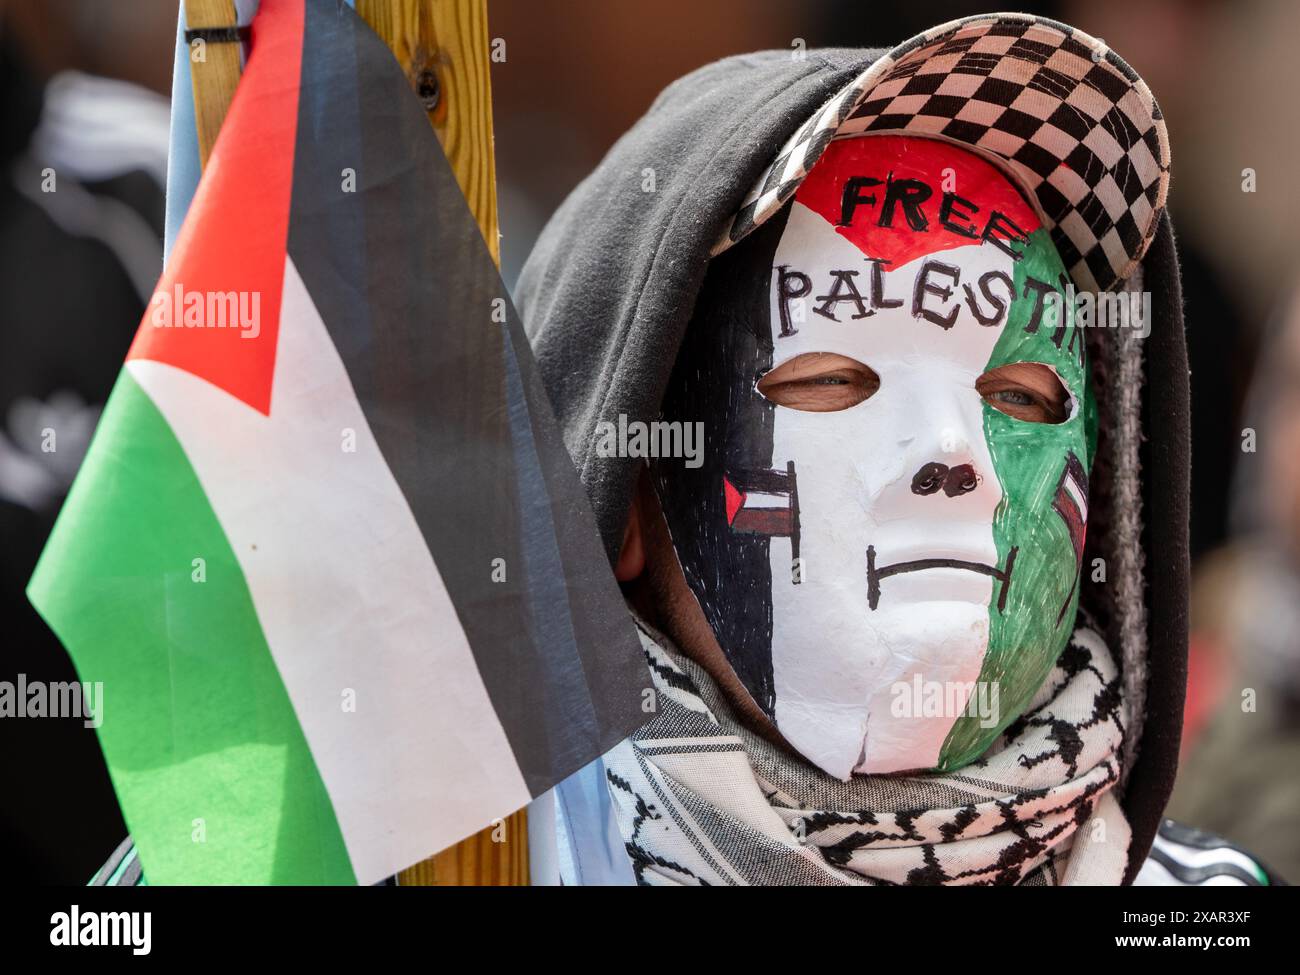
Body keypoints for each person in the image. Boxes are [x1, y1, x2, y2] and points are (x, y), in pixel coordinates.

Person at [517, 12, 1282, 885]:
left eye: (1018, 396)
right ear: (619, 503)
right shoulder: (485, 864)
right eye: (831, 381)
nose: (953, 454)